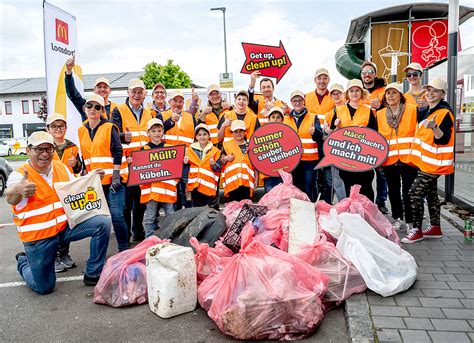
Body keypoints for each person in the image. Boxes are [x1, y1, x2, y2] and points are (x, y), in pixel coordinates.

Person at [6, 131, 111, 294]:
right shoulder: (19, 175)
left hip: (63, 230)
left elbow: (76, 186)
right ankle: (23, 262)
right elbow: (11, 197)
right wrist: (19, 189)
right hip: (39, 239)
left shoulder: (61, 168)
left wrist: (91, 177)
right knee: (44, 287)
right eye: (39, 149)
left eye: (49, 149)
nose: (44, 154)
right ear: (28, 150)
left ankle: (93, 273)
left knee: (102, 223)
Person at [402, 78, 454, 243]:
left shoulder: (444, 112)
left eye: (435, 90)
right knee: (431, 194)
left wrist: (434, 127)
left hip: (434, 164)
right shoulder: (428, 110)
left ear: (443, 94)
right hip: (426, 163)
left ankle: (417, 230)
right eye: (429, 89)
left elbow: (443, 139)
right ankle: (435, 227)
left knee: (414, 193)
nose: (430, 93)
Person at [79, 94, 129, 252]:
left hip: (114, 181)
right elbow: (85, 156)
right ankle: (99, 255)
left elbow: (118, 151)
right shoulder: (81, 130)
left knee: (117, 216)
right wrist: (84, 174)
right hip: (95, 183)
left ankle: (124, 249)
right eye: (90, 106)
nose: (93, 109)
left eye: (97, 107)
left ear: (102, 110)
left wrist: (115, 175)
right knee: (99, 221)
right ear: (85, 109)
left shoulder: (109, 127)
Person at [112, 78, 159, 242]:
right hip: (128, 164)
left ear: (144, 94)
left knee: (141, 201)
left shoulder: (149, 112)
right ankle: (126, 236)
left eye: (140, 92)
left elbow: (160, 128)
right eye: (134, 92)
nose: (137, 95)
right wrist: (122, 136)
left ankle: (138, 233)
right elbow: (112, 136)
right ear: (128, 93)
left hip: (145, 163)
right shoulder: (119, 111)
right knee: (126, 204)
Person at [376, 83, 419, 231]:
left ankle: (410, 221)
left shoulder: (413, 110)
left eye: (394, 93)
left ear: (401, 95)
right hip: (389, 159)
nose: (391, 96)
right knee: (393, 191)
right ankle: (398, 218)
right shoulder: (380, 114)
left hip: (409, 158)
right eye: (388, 93)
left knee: (408, 191)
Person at [46, 113, 82, 272]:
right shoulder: (45, 146)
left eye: (61, 126)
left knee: (66, 224)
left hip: (67, 191)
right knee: (52, 225)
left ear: (66, 128)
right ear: (48, 129)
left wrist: (75, 165)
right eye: (54, 126)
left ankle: (64, 254)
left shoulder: (72, 146)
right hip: (49, 192)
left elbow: (79, 169)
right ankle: (53, 257)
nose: (58, 129)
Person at [330, 79, 377, 201]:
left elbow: (375, 134)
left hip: (363, 157)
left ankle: (367, 215)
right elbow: (331, 135)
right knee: (348, 186)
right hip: (346, 156)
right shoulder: (339, 110)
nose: (354, 93)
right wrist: (336, 127)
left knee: (366, 187)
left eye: (357, 91)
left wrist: (367, 132)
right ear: (347, 93)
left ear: (362, 93)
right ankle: (352, 215)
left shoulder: (368, 110)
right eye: (351, 91)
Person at [139, 118, 176, 238]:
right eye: (153, 131)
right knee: (150, 216)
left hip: (166, 188)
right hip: (151, 189)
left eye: (159, 130)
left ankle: (171, 238)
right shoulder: (143, 150)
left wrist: (182, 161)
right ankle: (149, 240)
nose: (157, 133)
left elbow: (176, 166)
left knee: (170, 215)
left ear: (163, 131)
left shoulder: (169, 148)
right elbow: (139, 170)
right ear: (148, 133)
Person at [284, 90, 323, 202]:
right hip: (293, 160)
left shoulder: (313, 117)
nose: (297, 103)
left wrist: (315, 132)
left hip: (310, 160)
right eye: (295, 100)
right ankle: (299, 212)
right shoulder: (286, 119)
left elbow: (319, 136)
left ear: (304, 101)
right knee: (296, 188)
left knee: (309, 187)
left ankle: (311, 211)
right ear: (291, 102)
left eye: (300, 100)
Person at [360, 60, 389, 213]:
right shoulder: (357, 90)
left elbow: (392, 107)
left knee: (381, 171)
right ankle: (363, 200)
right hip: (363, 137)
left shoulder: (384, 90)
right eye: (364, 72)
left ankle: (381, 201)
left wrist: (381, 106)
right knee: (364, 169)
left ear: (375, 74)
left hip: (381, 133)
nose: (367, 75)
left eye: (370, 72)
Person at [161, 91, 197, 210]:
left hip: (187, 162)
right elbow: (156, 133)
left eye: (180, 101)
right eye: (175, 101)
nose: (177, 104)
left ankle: (188, 218)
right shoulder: (162, 115)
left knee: (187, 192)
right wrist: (171, 121)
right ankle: (174, 220)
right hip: (169, 161)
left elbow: (196, 140)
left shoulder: (190, 117)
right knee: (172, 192)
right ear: (169, 102)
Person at [64, 56, 118, 121]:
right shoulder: (87, 106)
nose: (102, 89)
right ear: (94, 90)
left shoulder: (117, 108)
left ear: (110, 91)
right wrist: (68, 72)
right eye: (99, 87)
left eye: (105, 87)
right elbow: (73, 94)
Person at [185, 124, 221, 207]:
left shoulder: (216, 151)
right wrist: (185, 162)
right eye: (199, 135)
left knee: (209, 212)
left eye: (205, 134)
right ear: (196, 137)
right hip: (195, 186)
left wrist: (214, 165)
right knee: (197, 211)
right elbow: (186, 169)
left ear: (209, 136)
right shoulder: (190, 150)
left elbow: (218, 169)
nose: (202, 137)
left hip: (209, 186)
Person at [321, 84, 346, 203]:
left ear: (343, 94)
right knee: (337, 182)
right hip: (335, 151)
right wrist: (327, 131)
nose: (336, 96)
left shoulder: (349, 109)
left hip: (350, 151)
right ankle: (343, 205)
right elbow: (325, 136)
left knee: (351, 182)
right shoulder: (329, 115)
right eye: (334, 94)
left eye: (338, 93)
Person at [221, 120, 257, 201]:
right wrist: (226, 158)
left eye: (241, 131)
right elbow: (221, 161)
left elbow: (255, 165)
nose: (238, 133)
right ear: (232, 133)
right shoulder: (226, 145)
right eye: (236, 131)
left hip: (247, 182)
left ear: (245, 132)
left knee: (246, 207)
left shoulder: (251, 145)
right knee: (233, 208)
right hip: (232, 182)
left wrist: (256, 179)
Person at [262, 107, 285, 192]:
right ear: (269, 119)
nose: (275, 119)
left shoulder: (287, 133)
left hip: (283, 172)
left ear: (282, 120)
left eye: (278, 117)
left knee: (283, 197)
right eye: (273, 117)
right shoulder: (262, 134)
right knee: (270, 197)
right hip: (268, 173)